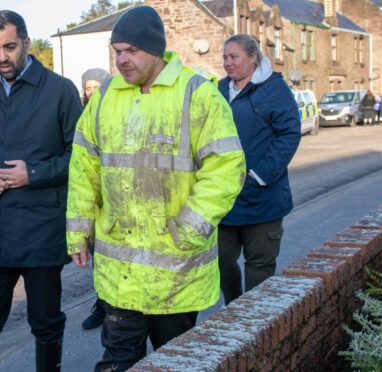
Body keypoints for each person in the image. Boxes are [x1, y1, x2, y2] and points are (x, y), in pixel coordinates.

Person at [66, 6, 246, 371]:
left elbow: (227, 167)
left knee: (175, 363)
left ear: (156, 49)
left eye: (131, 50)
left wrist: (191, 226)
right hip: (120, 276)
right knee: (117, 362)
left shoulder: (197, 94)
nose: (122, 60)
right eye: (117, 51)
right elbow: (84, 169)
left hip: (176, 274)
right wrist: (79, 230)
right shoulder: (104, 98)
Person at [0, 10, 82, 372]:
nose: (2, 57)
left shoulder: (60, 90)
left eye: (9, 46)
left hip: (42, 229)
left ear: (26, 42)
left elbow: (83, 157)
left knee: (45, 323)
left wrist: (35, 173)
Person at [218, 34, 300, 305]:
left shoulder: (274, 89)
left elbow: (288, 134)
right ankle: (234, 308)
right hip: (224, 198)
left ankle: (254, 320)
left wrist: (260, 175)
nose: (228, 63)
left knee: (259, 267)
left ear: (253, 57)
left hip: (262, 197)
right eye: (225, 58)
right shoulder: (218, 90)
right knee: (219, 260)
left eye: (234, 57)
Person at [78, 67, 110, 331]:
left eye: (97, 85)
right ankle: (101, 305)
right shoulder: (81, 117)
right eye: (88, 87)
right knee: (98, 258)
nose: (92, 91)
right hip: (92, 199)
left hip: (114, 197)